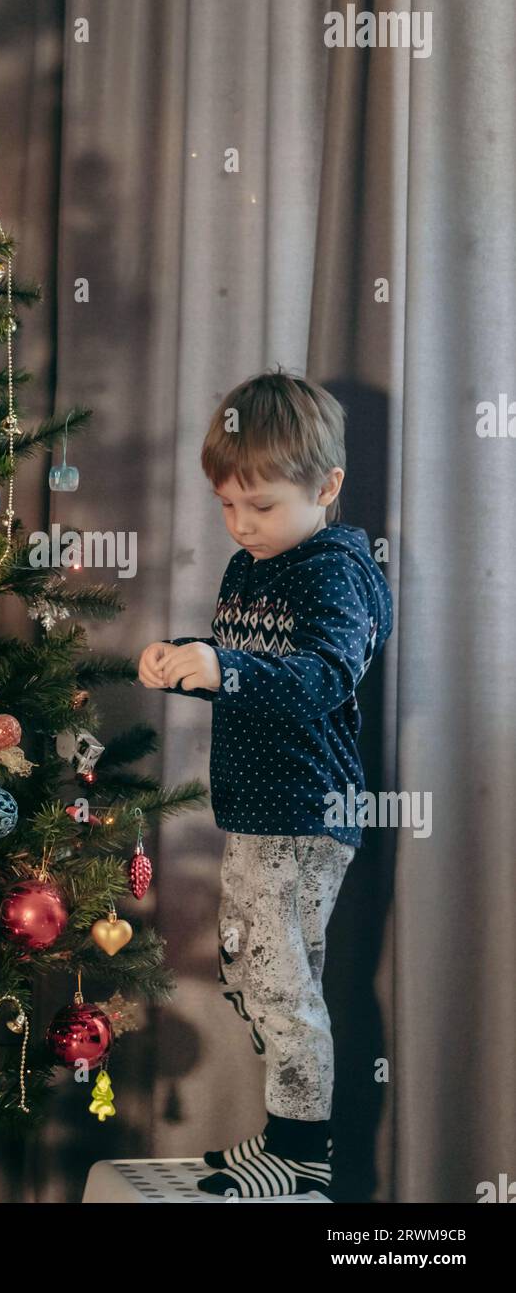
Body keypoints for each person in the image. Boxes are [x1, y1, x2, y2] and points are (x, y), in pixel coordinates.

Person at [138, 369, 393, 1198]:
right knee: (256, 974)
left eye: (262, 507)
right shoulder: (253, 566)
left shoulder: (333, 572)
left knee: (283, 987)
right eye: (227, 507)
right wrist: (188, 658)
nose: (241, 525)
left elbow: (320, 679)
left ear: (328, 487)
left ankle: (303, 1159)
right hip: (257, 812)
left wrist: (224, 669)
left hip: (305, 816)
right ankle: (284, 1135)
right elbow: (245, 658)